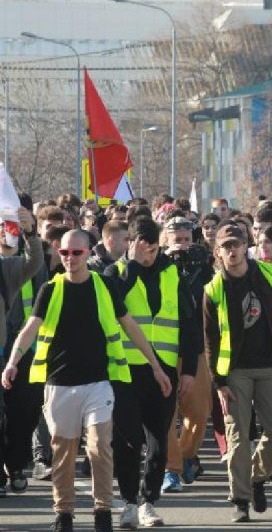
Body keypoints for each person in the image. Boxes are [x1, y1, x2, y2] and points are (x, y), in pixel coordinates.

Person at [2, 229, 171, 532]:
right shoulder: (51, 290)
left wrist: (156, 366)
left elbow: (130, 326)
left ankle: (102, 511)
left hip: (98, 384)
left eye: (76, 253)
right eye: (64, 253)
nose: (69, 258)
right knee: (63, 456)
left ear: (87, 252)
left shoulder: (104, 286)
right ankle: (64, 513)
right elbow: (30, 328)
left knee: (99, 447)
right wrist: (12, 362)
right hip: (58, 384)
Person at [108, 217, 200, 528]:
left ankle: (148, 501)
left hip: (164, 371)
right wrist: (133, 266)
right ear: (129, 244)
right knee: (128, 440)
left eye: (154, 248)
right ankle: (129, 503)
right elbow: (111, 305)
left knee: (159, 441)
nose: (150, 254)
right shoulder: (115, 272)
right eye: (143, 248)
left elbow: (189, 323)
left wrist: (189, 370)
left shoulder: (173, 273)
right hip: (125, 371)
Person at [203, 224, 272, 523]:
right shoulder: (213, 289)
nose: (232, 250)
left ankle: (256, 476)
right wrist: (218, 382)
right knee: (238, 436)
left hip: (271, 366)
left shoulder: (267, 273)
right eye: (225, 246)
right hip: (235, 372)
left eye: (236, 244)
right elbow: (210, 340)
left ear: (246, 246)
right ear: (218, 251)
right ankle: (240, 499)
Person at [160, 216, 215, 491]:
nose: (182, 245)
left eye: (186, 239)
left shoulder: (203, 268)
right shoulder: (157, 266)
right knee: (167, 414)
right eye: (176, 240)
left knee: (199, 412)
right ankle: (171, 468)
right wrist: (167, 263)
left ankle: (185, 454)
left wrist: (202, 264)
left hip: (196, 348)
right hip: (165, 349)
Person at [0, 207, 44, 496]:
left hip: (10, 352)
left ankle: (14, 466)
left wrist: (30, 233)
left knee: (18, 413)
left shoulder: (6, 268)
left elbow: (33, 263)